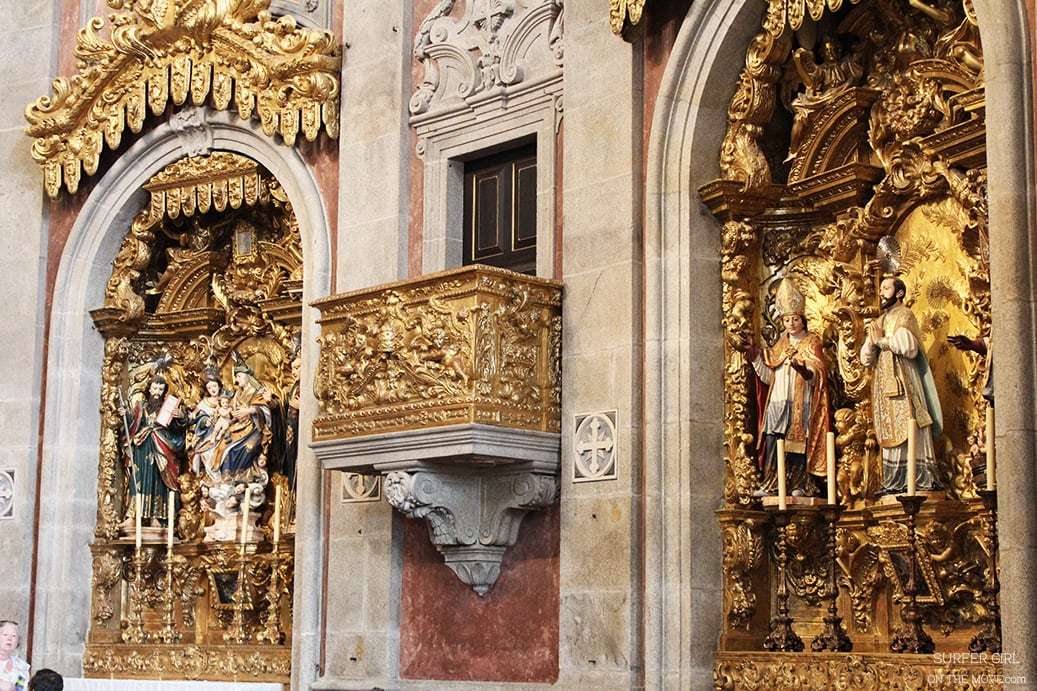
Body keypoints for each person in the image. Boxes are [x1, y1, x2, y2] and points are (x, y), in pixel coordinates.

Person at [745, 279, 832, 497]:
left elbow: (819, 374)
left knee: (799, 443)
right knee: (773, 440)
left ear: (803, 320)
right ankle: (772, 483)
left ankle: (799, 484)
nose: (791, 323)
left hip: (801, 401)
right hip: (777, 401)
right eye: (786, 320)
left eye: (795, 319)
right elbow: (769, 377)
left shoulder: (812, 342)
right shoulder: (780, 345)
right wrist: (755, 357)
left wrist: (804, 370)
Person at [860, 277, 944, 494]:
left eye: (886, 288)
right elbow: (865, 359)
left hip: (905, 382)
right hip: (884, 386)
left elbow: (908, 347)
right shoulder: (879, 321)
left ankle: (918, 479)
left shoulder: (905, 315)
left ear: (899, 293)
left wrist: (881, 341)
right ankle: (894, 481)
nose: (881, 293)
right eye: (880, 289)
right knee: (890, 428)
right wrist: (871, 344)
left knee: (909, 424)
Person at [121, 376, 188, 525]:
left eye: (160, 389)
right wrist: (124, 414)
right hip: (142, 446)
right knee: (138, 479)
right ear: (149, 389)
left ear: (164, 391)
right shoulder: (141, 407)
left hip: (161, 447)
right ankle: (132, 517)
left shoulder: (167, 408)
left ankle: (155, 517)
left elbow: (178, 428)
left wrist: (181, 417)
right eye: (155, 388)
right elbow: (132, 424)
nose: (157, 392)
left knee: (158, 481)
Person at [0, 621, 29, 691]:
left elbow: (21, 688)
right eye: (5, 634)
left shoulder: (22, 666)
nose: (9, 638)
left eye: (14, 636)